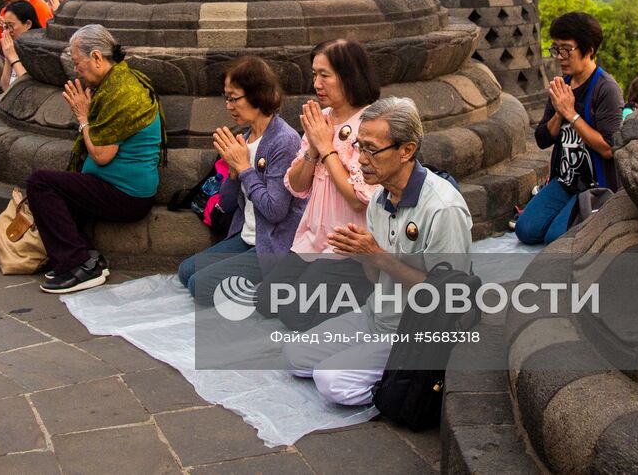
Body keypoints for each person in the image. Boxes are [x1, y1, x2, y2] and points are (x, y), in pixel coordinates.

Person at [283, 96, 472, 407]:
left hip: (415, 329)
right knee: (294, 356)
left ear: (406, 150)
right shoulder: (379, 200)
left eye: (371, 149)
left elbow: (450, 298)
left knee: (331, 382)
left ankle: (405, 384)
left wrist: (379, 256)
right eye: (359, 146)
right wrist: (364, 257)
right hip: (375, 316)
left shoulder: (442, 209)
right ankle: (377, 368)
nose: (360, 159)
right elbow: (374, 277)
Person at [25, 24, 164, 294]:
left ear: (97, 57)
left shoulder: (123, 92)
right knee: (58, 189)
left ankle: (80, 265)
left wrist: (82, 119)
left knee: (40, 183)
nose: (76, 70)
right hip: (114, 186)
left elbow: (101, 155)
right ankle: (79, 256)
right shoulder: (116, 83)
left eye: (78, 63)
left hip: (127, 195)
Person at [256, 38, 380, 330]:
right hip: (313, 237)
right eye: (314, 74)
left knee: (295, 316)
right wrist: (313, 149)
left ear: (350, 76)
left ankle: (372, 290)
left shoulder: (373, 123)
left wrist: (327, 148)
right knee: (266, 301)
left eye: (325, 75)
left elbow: (356, 197)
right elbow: (296, 185)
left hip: (348, 243)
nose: (317, 83)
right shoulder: (321, 118)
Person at [176, 56, 305, 305]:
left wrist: (245, 169)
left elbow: (275, 210)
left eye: (233, 98)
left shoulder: (283, 140)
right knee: (186, 271)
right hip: (246, 236)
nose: (228, 106)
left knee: (199, 286)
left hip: (273, 243)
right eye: (226, 98)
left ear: (257, 95)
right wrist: (234, 174)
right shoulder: (244, 137)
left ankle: (277, 288)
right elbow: (225, 204)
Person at [515, 12, 624, 246]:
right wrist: (559, 112)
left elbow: (608, 148)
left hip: (595, 186)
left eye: (567, 49)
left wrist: (572, 115)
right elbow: (542, 139)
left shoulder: (606, 89)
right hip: (564, 181)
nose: (560, 57)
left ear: (590, 50)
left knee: (557, 239)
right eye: (556, 49)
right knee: (526, 230)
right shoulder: (561, 85)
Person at [0, 0, 38, 94]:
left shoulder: (38, 50)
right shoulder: (15, 46)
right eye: (6, 26)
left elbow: (29, 88)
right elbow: (5, 87)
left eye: (11, 26)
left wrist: (13, 58)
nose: (8, 31)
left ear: (28, 24)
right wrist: (8, 56)